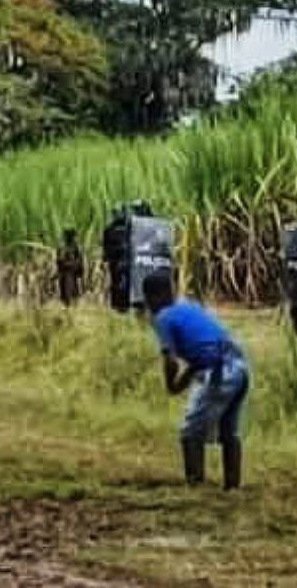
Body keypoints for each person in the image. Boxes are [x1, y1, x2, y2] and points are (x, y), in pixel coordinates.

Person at [143, 273, 250, 490]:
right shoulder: (187, 307)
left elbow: (171, 361)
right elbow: (199, 356)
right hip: (239, 364)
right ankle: (232, 486)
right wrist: (179, 385)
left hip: (219, 370)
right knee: (229, 431)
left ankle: (196, 485)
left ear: (153, 297)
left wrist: (170, 384)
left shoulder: (163, 317)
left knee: (191, 432)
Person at [102, 206, 131, 312]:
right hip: (116, 261)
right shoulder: (109, 229)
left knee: (123, 283)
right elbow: (105, 246)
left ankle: (122, 305)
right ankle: (117, 305)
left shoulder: (130, 227)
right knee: (116, 282)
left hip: (125, 260)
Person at [56, 228, 84, 306]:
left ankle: (72, 304)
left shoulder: (76, 246)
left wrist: (76, 266)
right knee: (66, 290)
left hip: (72, 272)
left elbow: (79, 259)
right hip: (66, 272)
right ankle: (68, 305)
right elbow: (59, 260)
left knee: (72, 289)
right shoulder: (63, 247)